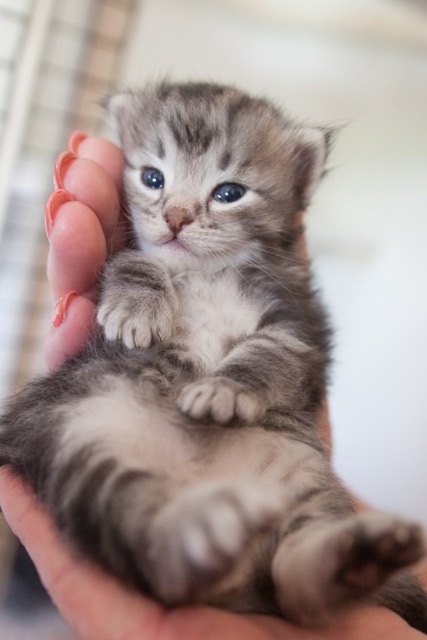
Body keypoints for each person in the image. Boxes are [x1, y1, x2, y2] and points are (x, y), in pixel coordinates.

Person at [0, 133, 425, 640]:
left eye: (226, 193)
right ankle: (167, 539)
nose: (178, 215)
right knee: (71, 415)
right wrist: (135, 282)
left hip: (257, 437)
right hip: (139, 415)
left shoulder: (276, 286)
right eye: (155, 179)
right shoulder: (141, 263)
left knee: (297, 463)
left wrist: (244, 381)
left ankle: (306, 567)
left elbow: (293, 351)